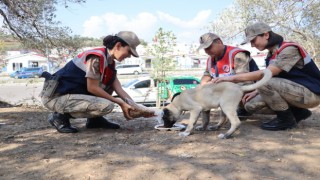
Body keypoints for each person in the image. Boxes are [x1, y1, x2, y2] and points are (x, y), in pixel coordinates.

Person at [212, 22, 320, 131]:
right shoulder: (271, 53)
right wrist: (257, 91)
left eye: (253, 40)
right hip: (295, 91)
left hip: (311, 94)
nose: (252, 45)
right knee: (250, 105)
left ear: (266, 35)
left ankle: (286, 120)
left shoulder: (289, 49)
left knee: (265, 81)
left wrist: (231, 78)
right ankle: (298, 112)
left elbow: (267, 74)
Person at [41, 31, 147, 133]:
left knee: (108, 86)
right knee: (106, 105)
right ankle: (59, 116)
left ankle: (95, 120)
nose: (129, 56)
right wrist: (120, 103)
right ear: (118, 45)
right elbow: (92, 88)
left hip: (70, 95)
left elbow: (119, 89)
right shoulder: (96, 57)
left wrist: (137, 107)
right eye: (129, 51)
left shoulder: (109, 62)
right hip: (56, 97)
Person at [197, 32, 259, 117]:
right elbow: (207, 75)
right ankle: (239, 109)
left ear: (219, 42)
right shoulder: (211, 59)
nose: (207, 51)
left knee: (247, 102)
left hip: (255, 90)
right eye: (204, 49)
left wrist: (215, 87)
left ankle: (245, 108)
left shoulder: (237, 54)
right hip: (231, 90)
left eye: (209, 47)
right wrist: (203, 85)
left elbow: (245, 80)